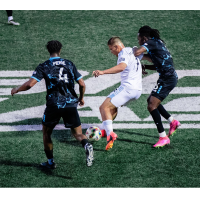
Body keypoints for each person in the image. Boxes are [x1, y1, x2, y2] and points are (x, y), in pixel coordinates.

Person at [11, 40, 94, 168]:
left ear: (48, 51)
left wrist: (16, 89)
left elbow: (29, 84)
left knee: (47, 133)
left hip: (53, 105)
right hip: (71, 104)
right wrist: (81, 98)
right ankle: (86, 144)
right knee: (77, 133)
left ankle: (50, 162)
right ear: (60, 50)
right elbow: (82, 84)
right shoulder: (69, 64)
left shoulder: (44, 66)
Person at [93, 37, 143, 150]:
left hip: (128, 88)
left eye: (111, 49)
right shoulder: (132, 50)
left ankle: (110, 134)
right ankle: (104, 129)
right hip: (137, 90)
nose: (111, 52)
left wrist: (102, 72)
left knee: (104, 107)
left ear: (116, 46)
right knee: (112, 108)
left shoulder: (123, 52)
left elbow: (122, 67)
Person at [134, 25, 181, 148]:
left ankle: (163, 137)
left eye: (139, 39)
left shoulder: (150, 42)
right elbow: (157, 63)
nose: (138, 41)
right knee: (151, 100)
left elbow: (137, 52)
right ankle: (172, 122)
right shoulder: (157, 42)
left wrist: (132, 51)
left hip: (167, 79)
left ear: (144, 38)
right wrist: (143, 66)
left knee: (151, 105)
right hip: (167, 78)